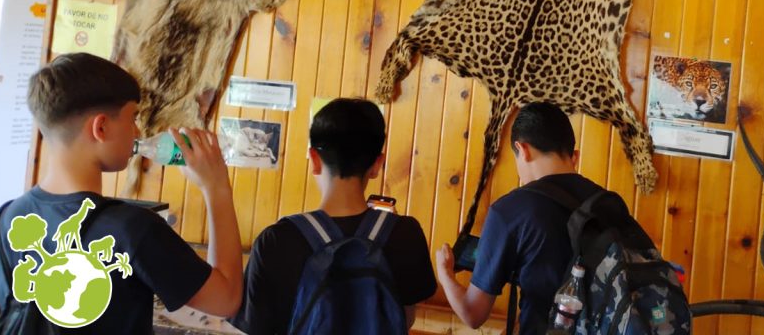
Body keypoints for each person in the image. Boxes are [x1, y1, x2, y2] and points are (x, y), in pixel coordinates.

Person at [0, 53, 243, 333]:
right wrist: (216, 187)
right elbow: (226, 300)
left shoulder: (4, 218)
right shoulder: (133, 229)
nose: (137, 131)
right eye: (133, 117)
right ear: (100, 127)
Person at [231, 98, 437, 334]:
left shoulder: (276, 240)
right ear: (376, 165)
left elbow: (257, 328)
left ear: (314, 160)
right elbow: (404, 320)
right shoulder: (406, 234)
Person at [435, 101, 604, 334]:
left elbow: (473, 314)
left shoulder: (510, 211)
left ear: (522, 149)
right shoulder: (607, 202)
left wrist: (445, 275)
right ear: (574, 156)